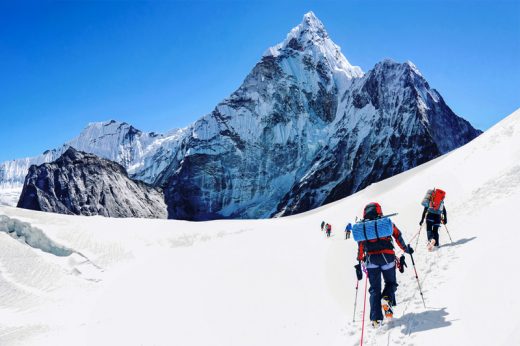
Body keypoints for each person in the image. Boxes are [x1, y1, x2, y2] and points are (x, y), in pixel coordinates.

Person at [356, 202, 413, 327]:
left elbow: (360, 245)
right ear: (379, 211)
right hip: (387, 258)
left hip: (371, 261)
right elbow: (397, 235)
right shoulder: (385, 223)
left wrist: (359, 259)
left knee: (374, 289)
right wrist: (406, 249)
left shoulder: (364, 227)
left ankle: (376, 320)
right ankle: (387, 298)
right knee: (391, 283)